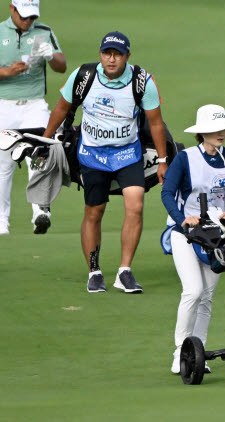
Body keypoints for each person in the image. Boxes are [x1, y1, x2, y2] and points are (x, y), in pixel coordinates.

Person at [41, 31, 167, 293]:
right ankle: (94, 271)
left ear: (127, 56)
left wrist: (163, 160)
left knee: (136, 206)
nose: (112, 59)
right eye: (107, 53)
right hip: (92, 156)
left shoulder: (143, 81)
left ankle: (124, 271)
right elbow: (61, 108)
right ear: (100, 54)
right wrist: (45, 140)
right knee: (94, 213)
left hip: (127, 155)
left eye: (117, 54)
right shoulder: (83, 76)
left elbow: (155, 122)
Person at [160, 104, 225, 374]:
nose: (221, 133)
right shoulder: (185, 158)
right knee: (193, 291)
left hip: (217, 235)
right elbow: (167, 192)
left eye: (223, 129)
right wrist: (182, 218)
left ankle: (198, 355)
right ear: (202, 133)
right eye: (214, 129)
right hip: (185, 233)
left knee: (207, 297)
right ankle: (180, 352)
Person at [0, 0, 67, 236]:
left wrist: (50, 56)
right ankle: (0, 222)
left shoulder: (44, 32)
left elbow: (62, 66)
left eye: (32, 17)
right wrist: (6, 72)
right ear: (12, 9)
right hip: (3, 106)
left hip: (35, 105)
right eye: (23, 16)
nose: (28, 21)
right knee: (4, 164)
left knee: (39, 158)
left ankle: (40, 213)